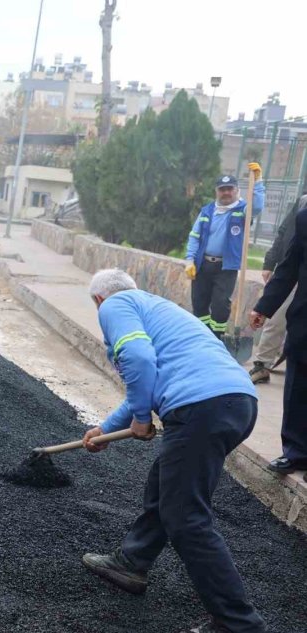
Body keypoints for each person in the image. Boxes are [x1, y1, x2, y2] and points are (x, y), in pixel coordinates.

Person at [80, 269, 265, 633]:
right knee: (165, 486)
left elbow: (138, 359)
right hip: (235, 402)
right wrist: (106, 430)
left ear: (99, 300)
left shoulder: (113, 305)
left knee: (185, 516)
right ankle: (131, 561)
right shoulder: (156, 308)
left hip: (203, 405)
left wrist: (139, 417)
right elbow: (147, 379)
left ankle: (238, 623)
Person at [249, 202, 307, 476]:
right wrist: (265, 305)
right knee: (297, 387)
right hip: (304, 319)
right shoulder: (305, 216)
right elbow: (290, 264)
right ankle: (296, 453)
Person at [184, 163, 265, 338]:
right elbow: (194, 236)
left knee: (220, 304)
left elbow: (257, 207)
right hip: (203, 264)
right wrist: (190, 260)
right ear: (217, 191)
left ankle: (216, 337)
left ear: (236, 190)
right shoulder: (207, 211)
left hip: (225, 267)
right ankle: (201, 335)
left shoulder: (243, 210)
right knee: (199, 303)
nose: (226, 192)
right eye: (222, 189)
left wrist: (258, 181)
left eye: (230, 189)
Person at [248, 189, 306, 383]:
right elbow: (283, 232)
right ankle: (262, 364)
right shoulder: (303, 202)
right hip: (291, 269)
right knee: (276, 319)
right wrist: (269, 261)